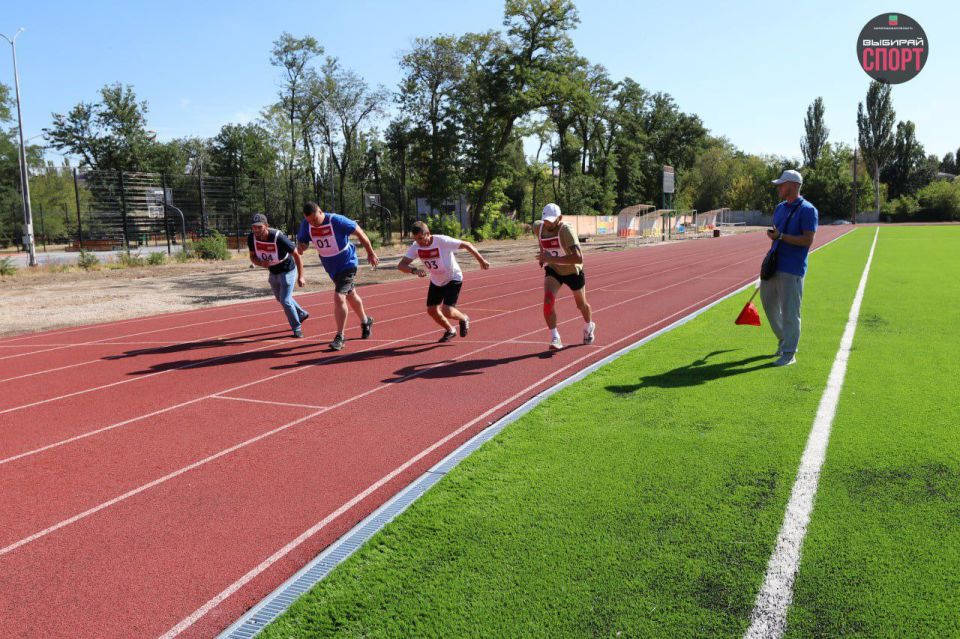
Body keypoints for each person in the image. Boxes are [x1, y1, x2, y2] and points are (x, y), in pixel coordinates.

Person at [296, 201, 379, 351]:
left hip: (347, 262)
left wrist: (371, 253)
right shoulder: (306, 224)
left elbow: (360, 233)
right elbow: (304, 242)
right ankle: (366, 321)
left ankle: (340, 336)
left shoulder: (337, 220)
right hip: (330, 266)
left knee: (339, 296)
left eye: (315, 219)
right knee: (351, 294)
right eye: (309, 221)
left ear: (320, 212)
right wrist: (301, 247)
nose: (313, 223)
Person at [397, 220, 491, 342]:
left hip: (453, 278)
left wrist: (481, 261)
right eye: (416, 239)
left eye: (421, 238)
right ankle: (450, 330)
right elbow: (401, 265)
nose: (419, 242)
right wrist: (414, 271)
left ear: (428, 233)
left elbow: (467, 244)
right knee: (431, 310)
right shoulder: (416, 246)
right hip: (436, 280)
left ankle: (464, 318)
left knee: (447, 310)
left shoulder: (442, 241)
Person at [761, 169, 819, 367]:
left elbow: (807, 240)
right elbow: (777, 233)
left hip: (792, 268)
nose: (778, 187)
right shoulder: (779, 208)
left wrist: (781, 237)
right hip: (774, 265)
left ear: (793, 186)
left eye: (782, 184)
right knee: (768, 305)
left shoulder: (808, 210)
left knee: (790, 312)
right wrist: (775, 237)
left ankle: (789, 353)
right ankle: (783, 340)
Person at [535, 203, 595, 351]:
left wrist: (551, 258)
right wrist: (543, 255)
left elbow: (578, 258)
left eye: (551, 220)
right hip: (554, 270)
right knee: (548, 300)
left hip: (572, 271)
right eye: (546, 220)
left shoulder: (566, 231)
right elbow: (542, 241)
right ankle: (555, 337)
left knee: (581, 305)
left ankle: (589, 325)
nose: (548, 223)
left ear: (559, 218)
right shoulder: (538, 227)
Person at [247, 213, 308, 338]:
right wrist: (260, 263)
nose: (257, 230)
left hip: (287, 270)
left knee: (285, 300)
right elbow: (252, 256)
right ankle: (301, 313)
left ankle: (297, 328)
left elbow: (296, 255)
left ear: (266, 226)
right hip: (273, 271)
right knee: (280, 298)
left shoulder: (278, 237)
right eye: (254, 227)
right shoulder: (251, 238)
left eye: (260, 227)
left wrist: (301, 276)